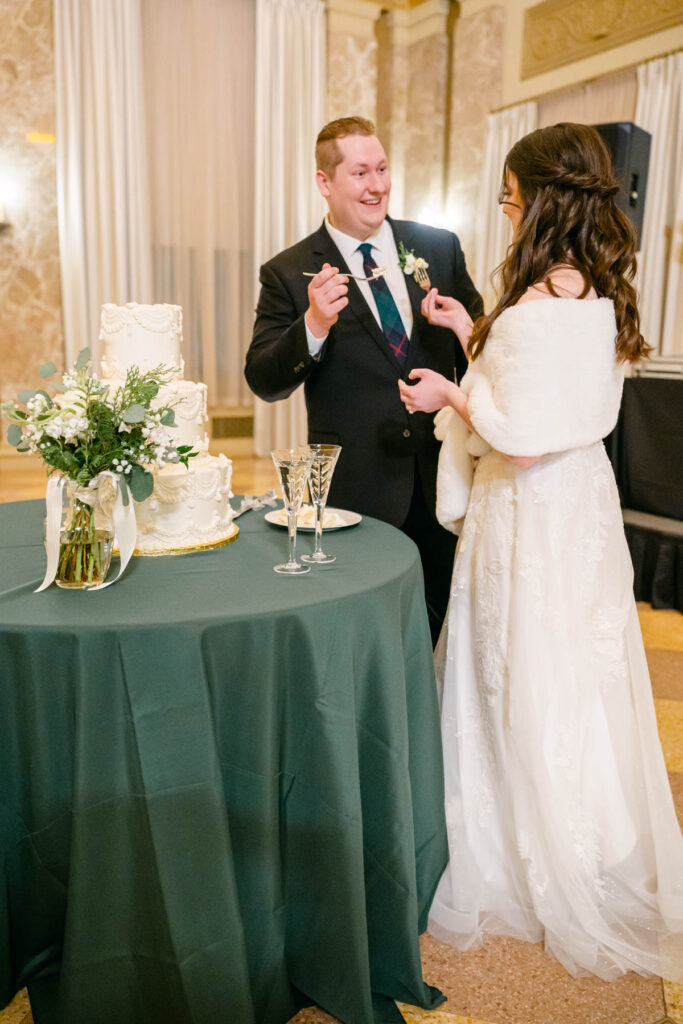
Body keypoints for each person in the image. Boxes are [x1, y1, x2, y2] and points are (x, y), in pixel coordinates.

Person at [398, 122, 683, 981]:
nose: (506, 209)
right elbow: (544, 392)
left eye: (512, 195)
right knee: (570, 666)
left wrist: (450, 393)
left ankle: (514, 838)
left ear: (542, 199)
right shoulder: (590, 290)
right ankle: (590, 824)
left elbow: (517, 438)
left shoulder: (534, 307)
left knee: (512, 662)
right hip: (579, 506)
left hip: (525, 509)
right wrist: (472, 328)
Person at [245, 116, 483, 644]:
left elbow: (484, 355)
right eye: (359, 173)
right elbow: (263, 379)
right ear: (324, 182)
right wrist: (313, 325)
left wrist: (465, 328)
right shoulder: (288, 272)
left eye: (382, 169)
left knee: (445, 631)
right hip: (356, 493)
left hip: (443, 479)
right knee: (365, 635)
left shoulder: (438, 247)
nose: (377, 185)